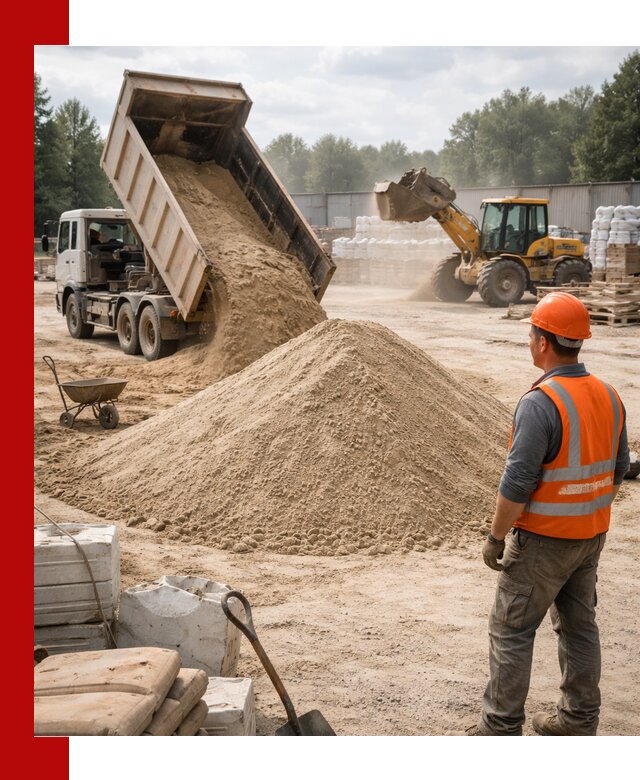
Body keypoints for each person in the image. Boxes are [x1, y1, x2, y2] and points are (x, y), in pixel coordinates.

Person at [460, 291, 630, 736]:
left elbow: (516, 484)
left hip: (542, 541)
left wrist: (497, 537)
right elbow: (619, 469)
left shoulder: (541, 402)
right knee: (579, 627)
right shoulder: (609, 395)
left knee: (512, 630)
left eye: (532, 333)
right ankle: (578, 722)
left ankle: (499, 730)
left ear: (542, 342)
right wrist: (586, 513)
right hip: (590, 536)